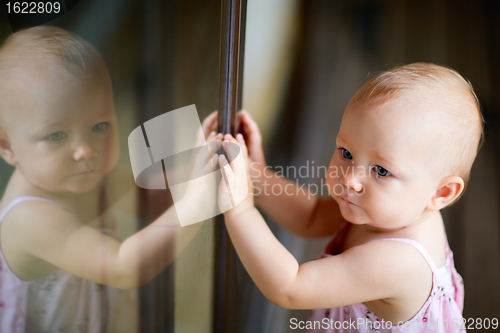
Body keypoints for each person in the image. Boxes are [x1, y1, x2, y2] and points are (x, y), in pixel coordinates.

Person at [217, 63, 482, 332]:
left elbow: (290, 287)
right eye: (346, 153)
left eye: (381, 170)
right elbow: (312, 217)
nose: (349, 179)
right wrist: (256, 176)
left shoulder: (398, 261)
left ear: (441, 192)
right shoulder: (389, 208)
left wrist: (239, 210)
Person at [0, 26, 220, 332]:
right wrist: (197, 204)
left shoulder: (89, 177)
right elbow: (121, 268)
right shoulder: (30, 218)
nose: (85, 151)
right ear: (8, 148)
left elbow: (152, 198)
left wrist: (202, 165)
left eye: (99, 126)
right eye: (57, 135)